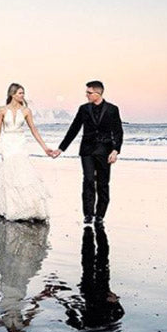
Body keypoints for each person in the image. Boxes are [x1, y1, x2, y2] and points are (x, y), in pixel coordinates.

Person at [51, 81, 123, 225]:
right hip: (87, 151)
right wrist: (61, 148)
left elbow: (118, 132)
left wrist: (115, 150)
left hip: (105, 151)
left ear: (98, 93)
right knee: (88, 180)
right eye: (86, 92)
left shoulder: (112, 109)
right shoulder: (83, 109)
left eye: (89, 93)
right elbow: (74, 129)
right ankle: (88, 214)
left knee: (103, 183)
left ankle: (100, 215)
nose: (86, 95)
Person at [0, 83, 53, 221]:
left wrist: (45, 147)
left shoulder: (26, 111)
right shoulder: (1, 110)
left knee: (23, 172)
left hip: (20, 142)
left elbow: (34, 130)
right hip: (7, 143)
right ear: (12, 94)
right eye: (20, 93)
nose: (22, 95)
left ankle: (28, 207)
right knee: (9, 174)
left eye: (23, 93)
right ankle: (11, 208)